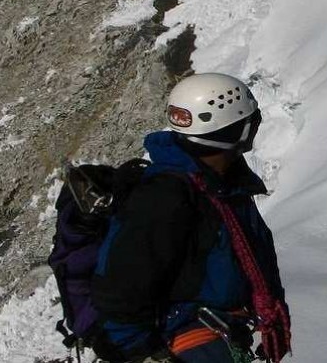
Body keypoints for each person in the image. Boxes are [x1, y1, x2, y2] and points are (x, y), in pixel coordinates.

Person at [92, 73, 291, 363]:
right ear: (237, 130)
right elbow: (123, 285)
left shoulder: (219, 187)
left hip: (213, 337)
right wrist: (144, 353)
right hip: (191, 343)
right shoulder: (170, 196)